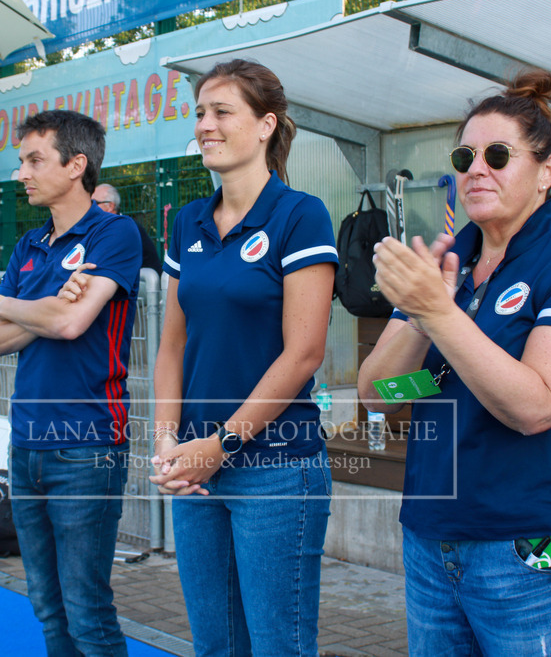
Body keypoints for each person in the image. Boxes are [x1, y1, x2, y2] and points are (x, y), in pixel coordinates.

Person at [357, 70, 551, 655]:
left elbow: (534, 406)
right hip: (434, 543)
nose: (476, 168)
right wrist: (422, 312)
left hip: (535, 550)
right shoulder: (446, 267)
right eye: (465, 156)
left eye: (498, 155)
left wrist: (438, 313)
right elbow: (381, 393)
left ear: (547, 172)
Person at [149, 59, 338, 656]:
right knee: (215, 646)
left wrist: (221, 445)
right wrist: (166, 441)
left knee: (278, 647)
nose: (204, 124)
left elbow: (304, 351)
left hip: (276, 471)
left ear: (265, 126)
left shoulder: (299, 215)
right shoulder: (188, 221)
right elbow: (172, 345)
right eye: (200, 112)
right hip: (197, 469)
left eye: (221, 111)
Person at [0, 110, 141, 656]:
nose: (21, 171)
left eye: (33, 160)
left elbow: (71, 325)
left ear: (77, 166)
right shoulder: (29, 244)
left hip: (86, 446)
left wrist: (10, 306)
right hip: (25, 444)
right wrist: (39, 307)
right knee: (47, 607)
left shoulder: (114, 233)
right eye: (21, 160)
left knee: (87, 613)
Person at [92, 183, 162, 275]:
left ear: (110, 206)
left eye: (94, 202)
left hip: (144, 283)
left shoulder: (124, 227)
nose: (90, 207)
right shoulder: (109, 226)